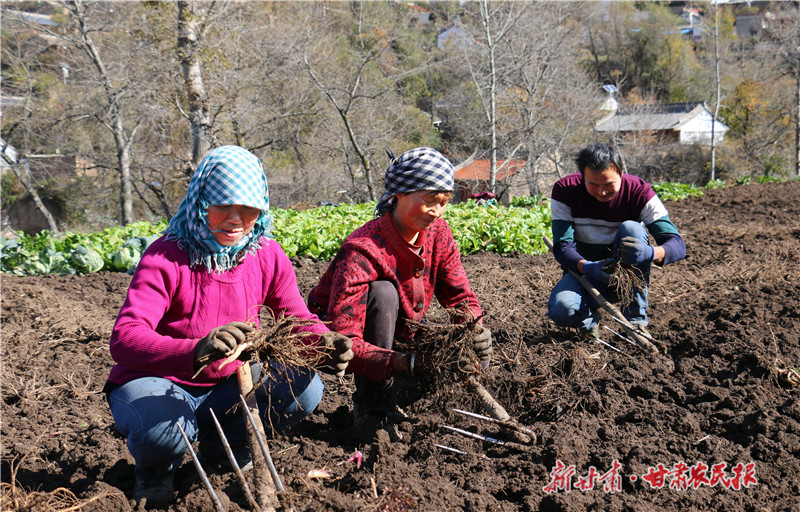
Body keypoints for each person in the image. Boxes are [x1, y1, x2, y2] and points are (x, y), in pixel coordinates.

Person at [103, 145, 353, 508]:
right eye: (222, 206)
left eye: (248, 209)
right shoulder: (167, 256)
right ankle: (156, 474)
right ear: (201, 201)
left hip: (229, 385)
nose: (235, 219)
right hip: (160, 384)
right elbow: (125, 338)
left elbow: (295, 317)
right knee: (164, 431)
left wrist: (324, 343)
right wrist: (195, 350)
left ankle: (226, 455)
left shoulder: (265, 253)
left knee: (306, 387)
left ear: (261, 208)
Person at [308, 147, 492, 438]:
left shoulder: (439, 234)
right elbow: (343, 341)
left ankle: (396, 396)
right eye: (430, 200)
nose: (437, 211)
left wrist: (473, 327)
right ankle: (373, 408)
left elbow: (460, 297)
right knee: (383, 293)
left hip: (403, 335)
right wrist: (410, 363)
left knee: (462, 349)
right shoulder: (363, 249)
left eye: (444, 202)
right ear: (399, 194)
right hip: (347, 346)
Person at [547, 142, 686, 338]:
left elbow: (678, 245)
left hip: (626, 276)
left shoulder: (639, 191)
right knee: (562, 310)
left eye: (609, 184)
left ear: (621, 173)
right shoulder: (565, 190)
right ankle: (587, 321)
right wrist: (588, 267)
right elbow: (563, 247)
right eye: (593, 185)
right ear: (582, 177)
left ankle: (635, 322)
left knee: (632, 228)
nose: (602, 192)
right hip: (585, 273)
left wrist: (651, 253)